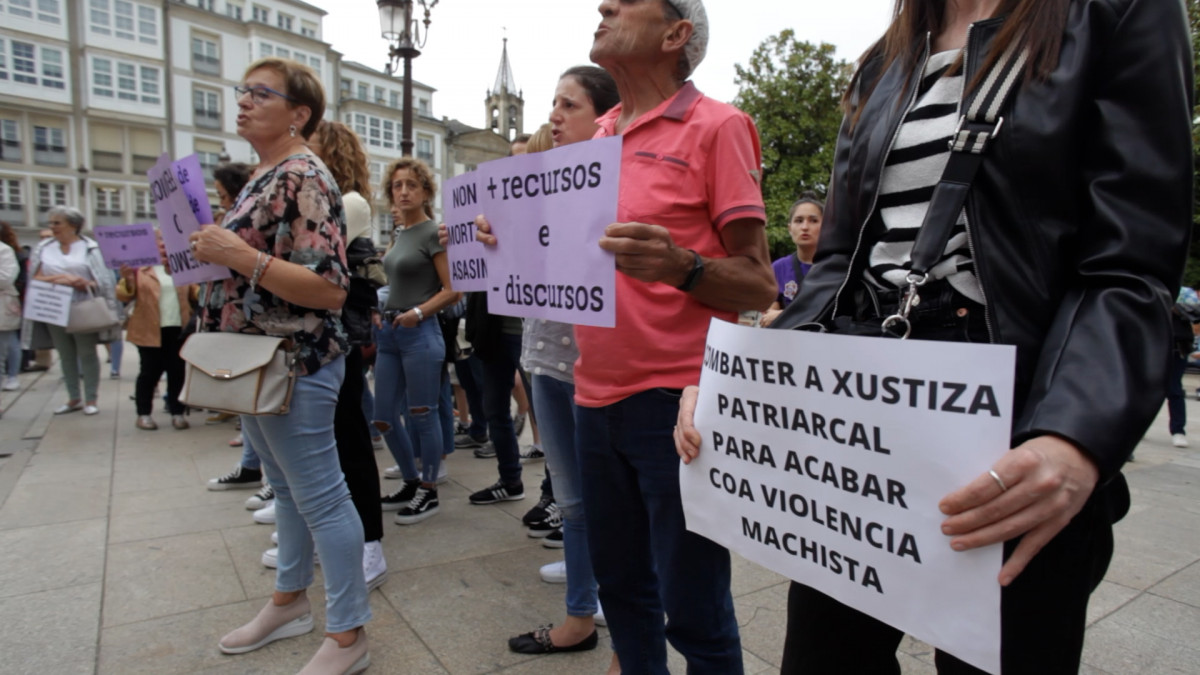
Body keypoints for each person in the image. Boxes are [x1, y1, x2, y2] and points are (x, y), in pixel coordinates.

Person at [675, 0, 1192, 671]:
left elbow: (1130, 262)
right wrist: (738, 390)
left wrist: (1075, 435)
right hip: (861, 409)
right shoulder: (884, 64)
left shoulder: (1117, 12)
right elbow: (838, 266)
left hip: (1015, 406)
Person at [562, 1, 777, 671]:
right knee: (621, 588)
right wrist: (508, 241)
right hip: (591, 397)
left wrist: (683, 266)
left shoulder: (719, 126)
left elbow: (760, 284)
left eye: (627, 3)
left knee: (693, 604)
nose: (603, 6)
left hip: (675, 404)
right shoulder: (592, 139)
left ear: (675, 34)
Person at [188, 57, 370, 674]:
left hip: (295, 361)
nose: (243, 101)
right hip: (254, 360)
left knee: (321, 496)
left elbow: (328, 289)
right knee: (290, 493)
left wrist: (236, 253)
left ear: (299, 114)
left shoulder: (302, 174)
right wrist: (202, 255)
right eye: (242, 91)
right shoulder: (264, 178)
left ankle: (348, 636)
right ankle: (289, 603)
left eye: (260, 93)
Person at [486, 69, 620, 657]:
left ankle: (631, 630)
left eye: (569, 104)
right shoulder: (540, 192)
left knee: (618, 504)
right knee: (570, 499)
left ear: (605, 117)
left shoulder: (621, 185)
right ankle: (579, 616)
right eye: (552, 103)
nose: (554, 116)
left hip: (601, 365)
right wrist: (483, 243)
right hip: (542, 358)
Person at [280, 118, 387, 590]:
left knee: (347, 434)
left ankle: (369, 543)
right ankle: (323, 533)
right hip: (313, 335)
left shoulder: (349, 203)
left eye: (310, 142)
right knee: (321, 438)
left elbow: (310, 262)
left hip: (338, 336)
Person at [373, 157, 461, 524]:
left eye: (412, 184)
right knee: (382, 416)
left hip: (420, 331)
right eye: (397, 185)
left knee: (422, 414)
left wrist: (419, 313)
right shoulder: (401, 233)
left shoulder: (432, 232)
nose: (404, 191)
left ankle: (428, 490)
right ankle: (410, 480)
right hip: (391, 332)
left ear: (426, 190)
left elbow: (454, 289)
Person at [24, 206, 122, 415]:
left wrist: (83, 282)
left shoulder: (91, 248)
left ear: (73, 226)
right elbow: (35, 277)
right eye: (50, 223)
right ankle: (73, 397)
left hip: (82, 307)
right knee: (65, 354)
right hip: (53, 307)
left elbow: (103, 280)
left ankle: (91, 399)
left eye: (57, 223)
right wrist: (62, 279)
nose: (52, 227)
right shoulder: (44, 248)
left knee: (86, 353)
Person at [116, 243, 197, 431]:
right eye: (158, 246)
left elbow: (195, 292)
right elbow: (123, 295)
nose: (162, 249)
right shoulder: (140, 270)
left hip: (178, 328)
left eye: (165, 245)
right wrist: (127, 278)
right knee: (149, 372)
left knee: (177, 372)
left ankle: (178, 412)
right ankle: (143, 414)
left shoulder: (181, 268)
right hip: (149, 329)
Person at [760, 193, 823, 327]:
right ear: (790, 228)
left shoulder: (835, 268)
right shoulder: (778, 267)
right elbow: (769, 315)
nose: (805, 227)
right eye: (799, 221)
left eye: (813, 220)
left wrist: (784, 315)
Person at [1168, 287, 1200, 448]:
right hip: (1156, 344)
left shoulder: (1186, 294)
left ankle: (1178, 431)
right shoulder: (1156, 290)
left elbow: (1196, 317)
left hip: (1178, 345)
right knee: (1144, 392)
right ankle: (1136, 430)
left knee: (1174, 390)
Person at [0, 222, 23, 393]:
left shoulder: (4, 251)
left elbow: (6, 278)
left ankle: (12, 375)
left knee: (4, 348)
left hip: (3, 305)